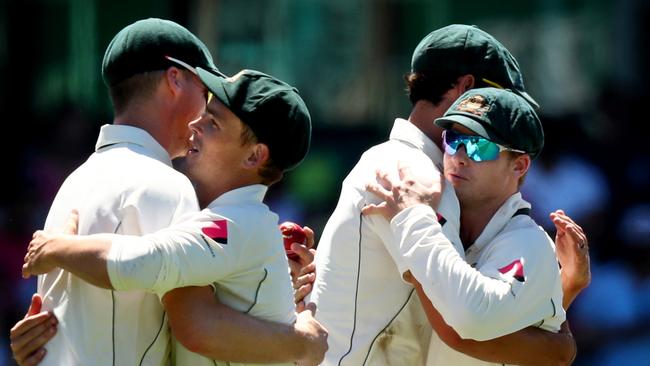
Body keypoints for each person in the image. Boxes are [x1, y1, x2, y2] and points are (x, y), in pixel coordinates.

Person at [10, 18, 326, 366]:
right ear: (175, 79)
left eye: (213, 119)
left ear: (255, 155)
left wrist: (56, 247)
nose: (197, 122)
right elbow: (197, 322)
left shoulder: (72, 184)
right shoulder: (171, 187)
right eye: (204, 97)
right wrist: (300, 342)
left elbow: (190, 304)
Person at [308, 24, 589, 365]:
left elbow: (482, 309)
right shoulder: (417, 176)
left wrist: (558, 297)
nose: (461, 153)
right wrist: (561, 344)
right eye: (498, 98)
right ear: (467, 90)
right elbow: (463, 322)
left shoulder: (412, 165)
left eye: (479, 145)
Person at [364, 87, 584, 365]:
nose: (460, 156)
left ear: (519, 166)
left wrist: (413, 219)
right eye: (453, 140)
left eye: (480, 147)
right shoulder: (443, 222)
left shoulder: (531, 243)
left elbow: (469, 323)